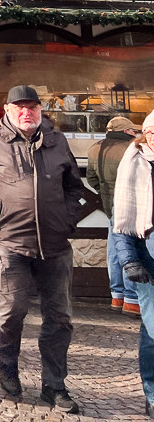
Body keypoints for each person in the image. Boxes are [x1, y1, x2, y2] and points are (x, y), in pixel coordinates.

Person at [0, 84, 83, 412]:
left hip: (56, 246)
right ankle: (8, 370)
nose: (26, 112)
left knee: (60, 319)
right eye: (20, 107)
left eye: (32, 106)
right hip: (11, 243)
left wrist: (67, 220)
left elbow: (75, 186)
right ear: (8, 110)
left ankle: (54, 386)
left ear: (41, 109)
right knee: (12, 311)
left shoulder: (57, 141)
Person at [110, 111, 154, 417]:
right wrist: (129, 261)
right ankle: (153, 394)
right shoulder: (135, 162)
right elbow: (121, 221)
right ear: (146, 134)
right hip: (148, 264)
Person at [88, 115, 140, 313]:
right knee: (130, 250)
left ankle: (116, 297)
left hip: (111, 206)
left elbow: (92, 179)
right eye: (133, 131)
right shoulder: (133, 148)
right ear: (127, 131)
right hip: (132, 206)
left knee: (114, 251)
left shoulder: (95, 148)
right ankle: (131, 298)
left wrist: (106, 193)